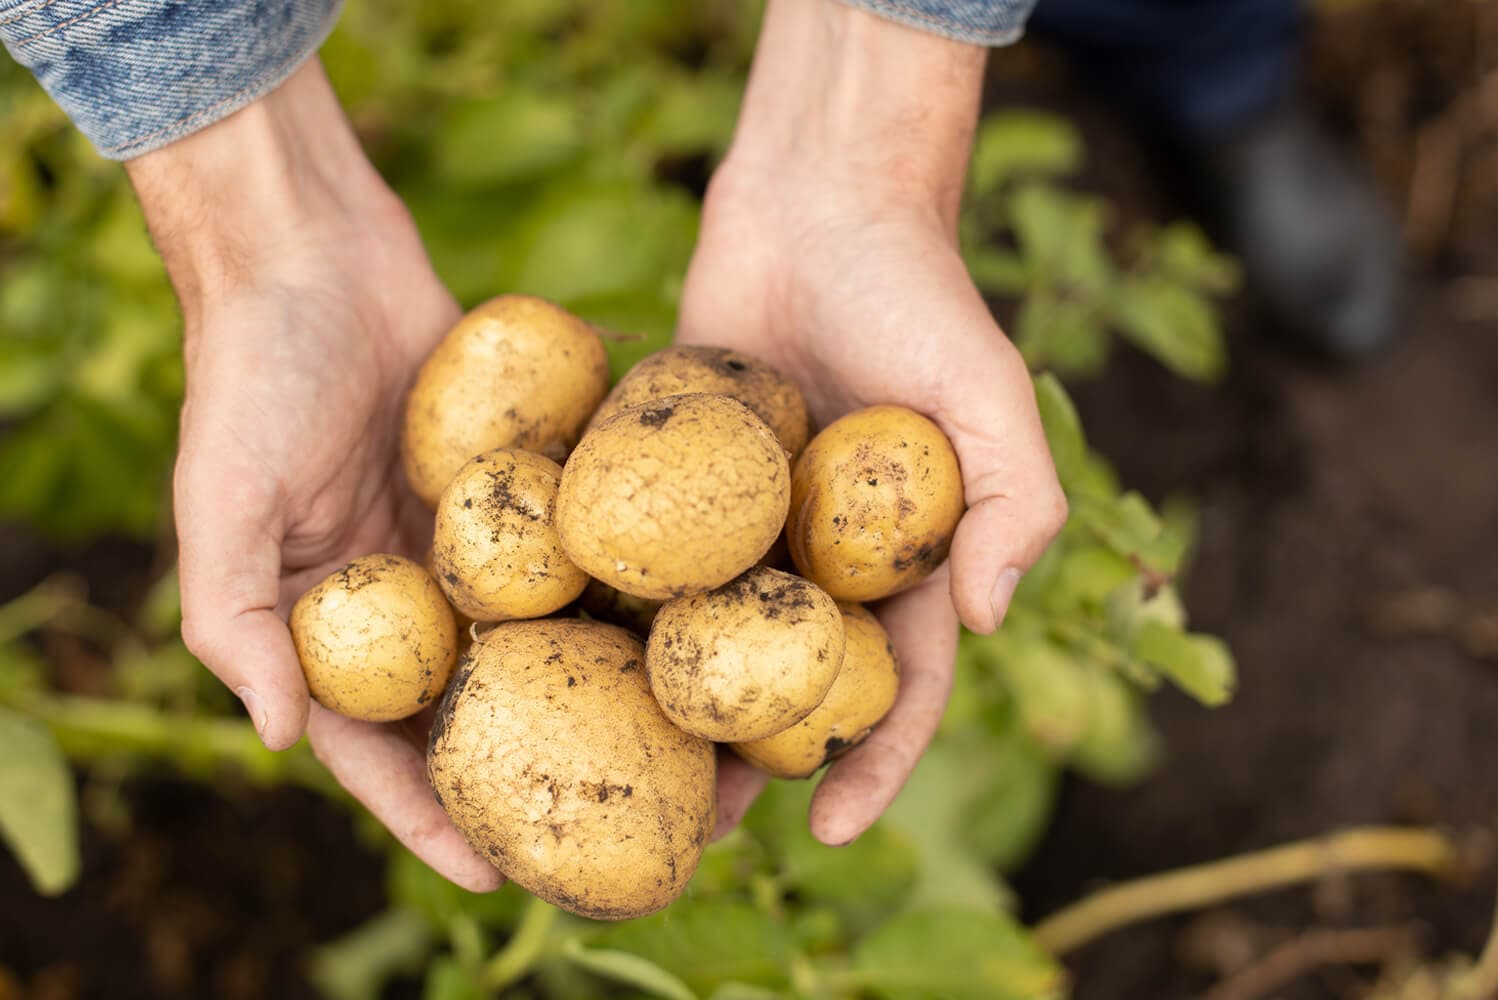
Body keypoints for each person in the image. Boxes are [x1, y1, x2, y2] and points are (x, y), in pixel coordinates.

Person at [0, 0, 1397, 892]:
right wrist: (257, 225)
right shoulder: (552, 552)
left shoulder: (663, 530)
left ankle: (1224, 79)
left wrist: (876, 133)